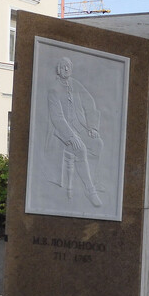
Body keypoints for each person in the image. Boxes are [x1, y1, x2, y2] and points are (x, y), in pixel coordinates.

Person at [44, 56, 103, 206]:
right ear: (58, 70)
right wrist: (71, 137)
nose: (66, 69)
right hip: (61, 133)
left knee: (97, 143)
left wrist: (92, 127)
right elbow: (57, 118)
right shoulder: (54, 90)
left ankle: (92, 180)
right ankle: (90, 191)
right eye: (63, 66)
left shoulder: (76, 85)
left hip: (79, 127)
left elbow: (90, 104)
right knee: (80, 148)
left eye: (68, 67)